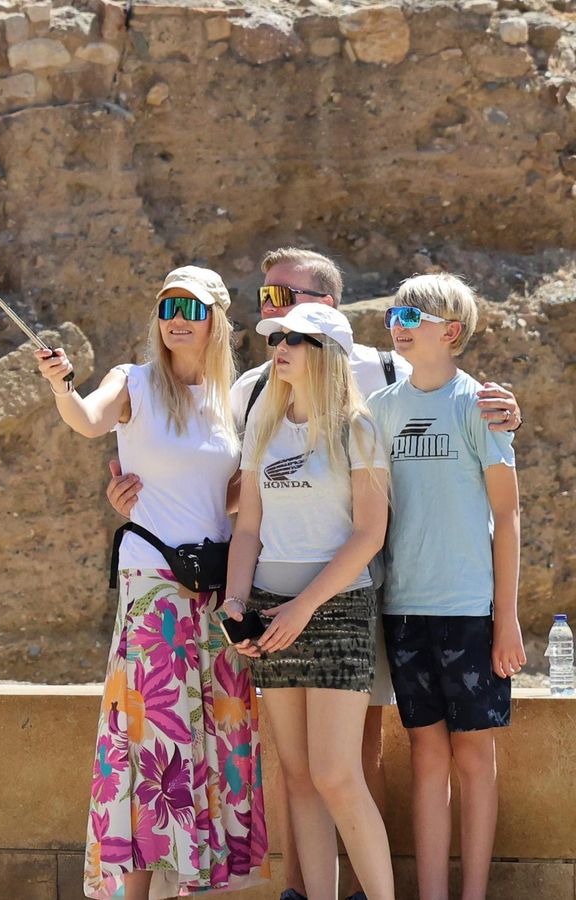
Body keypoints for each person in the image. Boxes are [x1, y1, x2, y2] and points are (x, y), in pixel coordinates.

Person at [104, 247, 523, 900]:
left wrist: (502, 410)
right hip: (297, 603)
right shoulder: (257, 401)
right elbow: (229, 498)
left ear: (324, 314)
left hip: (382, 600)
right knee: (308, 774)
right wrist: (144, 498)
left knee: (355, 764)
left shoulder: (378, 389)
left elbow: (447, 428)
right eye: (269, 308)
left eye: (287, 309)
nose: (273, 321)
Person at [36, 268, 266, 899]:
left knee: (215, 739)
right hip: (155, 584)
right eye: (166, 306)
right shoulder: (132, 381)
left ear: (217, 317)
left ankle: (198, 886)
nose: (176, 318)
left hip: (220, 589)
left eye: (191, 306)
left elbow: (237, 493)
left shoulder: (238, 399)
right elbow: (87, 420)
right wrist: (61, 385)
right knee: (151, 739)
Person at [224, 304, 394, 900]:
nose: (282, 345)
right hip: (269, 611)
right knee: (297, 777)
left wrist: (304, 608)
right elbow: (248, 529)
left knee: (336, 775)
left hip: (338, 609)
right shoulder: (263, 424)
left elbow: (369, 533)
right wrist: (236, 601)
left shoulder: (359, 426)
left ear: (329, 353)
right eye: (278, 337)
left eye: (298, 338)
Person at [366, 274, 523, 900]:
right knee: (427, 760)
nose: (398, 324)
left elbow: (507, 516)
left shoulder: (478, 405)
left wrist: (505, 618)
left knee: (474, 760)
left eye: (412, 314)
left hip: (470, 612)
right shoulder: (379, 410)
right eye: (393, 314)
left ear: (451, 331)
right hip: (403, 611)